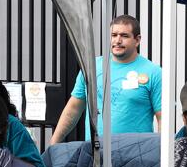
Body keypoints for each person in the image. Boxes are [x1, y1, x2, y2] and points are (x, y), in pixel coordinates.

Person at [51, 15, 162, 143]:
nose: (117, 40)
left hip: (136, 156)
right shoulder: (92, 67)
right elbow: (73, 109)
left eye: (124, 36)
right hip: (95, 153)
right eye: (114, 35)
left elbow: (162, 118)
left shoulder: (154, 72)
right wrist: (54, 143)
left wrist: (161, 154)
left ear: (137, 40)